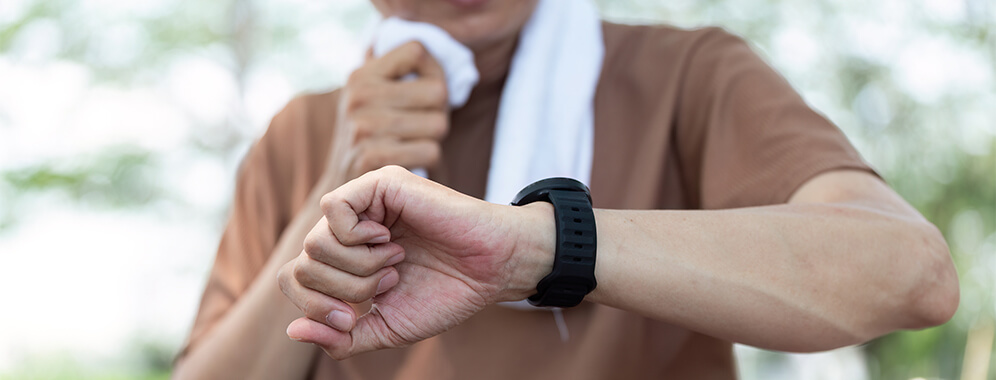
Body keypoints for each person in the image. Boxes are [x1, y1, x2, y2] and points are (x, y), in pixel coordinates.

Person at [173, 0, 960, 378]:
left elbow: (910, 272)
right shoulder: (304, 133)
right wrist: (332, 180)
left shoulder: (685, 77)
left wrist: (544, 247)